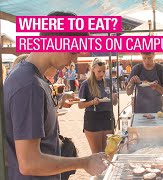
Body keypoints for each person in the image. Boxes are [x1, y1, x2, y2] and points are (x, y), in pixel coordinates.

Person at [4, 11, 107, 180]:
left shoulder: (31, 77)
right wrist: (84, 162)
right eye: (73, 51)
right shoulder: (29, 85)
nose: (74, 59)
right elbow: (30, 162)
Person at [78, 59, 118, 154]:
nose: (102, 74)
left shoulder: (109, 81)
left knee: (108, 152)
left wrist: (114, 98)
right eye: (99, 71)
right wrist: (92, 102)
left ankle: (106, 169)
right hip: (93, 118)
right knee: (97, 154)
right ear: (93, 70)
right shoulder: (86, 84)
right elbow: (80, 105)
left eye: (104, 71)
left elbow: (115, 103)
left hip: (108, 117)